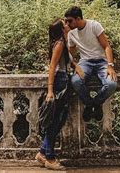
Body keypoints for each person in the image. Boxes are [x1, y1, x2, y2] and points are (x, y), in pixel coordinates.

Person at [65, 6, 117, 122]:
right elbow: (71, 54)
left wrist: (110, 65)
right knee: (76, 81)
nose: (67, 23)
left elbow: (106, 46)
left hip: (102, 62)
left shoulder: (94, 25)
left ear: (78, 19)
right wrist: (73, 66)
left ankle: (97, 103)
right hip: (85, 62)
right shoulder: (71, 33)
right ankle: (89, 104)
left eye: (70, 21)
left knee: (111, 84)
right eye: (66, 21)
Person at [36, 19, 71, 170]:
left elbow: (67, 62)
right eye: (65, 25)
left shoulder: (62, 42)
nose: (67, 26)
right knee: (55, 120)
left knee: (59, 118)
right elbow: (52, 67)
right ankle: (49, 157)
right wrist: (50, 90)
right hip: (59, 81)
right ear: (61, 29)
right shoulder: (59, 44)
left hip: (62, 79)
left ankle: (42, 153)